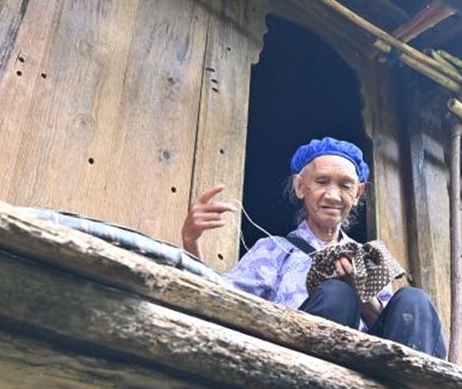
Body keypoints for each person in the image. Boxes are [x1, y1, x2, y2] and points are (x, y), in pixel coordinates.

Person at [182, 137, 446, 358]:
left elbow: (395, 330)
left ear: (358, 194)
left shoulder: (369, 257)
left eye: (345, 185)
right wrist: (191, 241)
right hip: (299, 363)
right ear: (300, 186)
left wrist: (362, 293)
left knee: (415, 300)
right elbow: (219, 299)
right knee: (336, 295)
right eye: (321, 182)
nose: (332, 195)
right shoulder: (274, 250)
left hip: (373, 371)